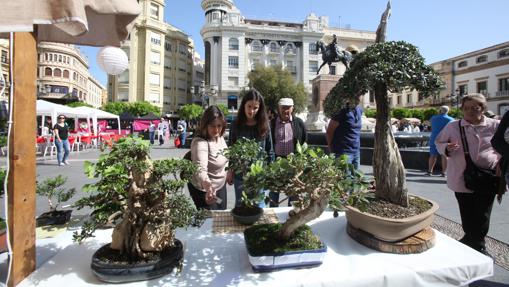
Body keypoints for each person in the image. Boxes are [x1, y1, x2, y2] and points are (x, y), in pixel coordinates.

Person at [435, 94, 501, 256]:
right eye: (466, 108)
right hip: (461, 177)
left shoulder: (495, 125)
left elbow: (504, 146)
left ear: (483, 109)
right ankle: (470, 238)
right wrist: (447, 148)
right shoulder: (453, 127)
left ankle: (478, 244)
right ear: (462, 110)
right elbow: (438, 143)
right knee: (467, 211)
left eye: (475, 108)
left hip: (488, 177)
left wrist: (502, 163)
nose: (470, 111)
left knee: (483, 213)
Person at [227, 88, 274, 207]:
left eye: (255, 108)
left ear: (260, 108)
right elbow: (231, 150)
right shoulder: (235, 125)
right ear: (243, 105)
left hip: (259, 175)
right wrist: (230, 171)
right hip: (240, 176)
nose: (251, 111)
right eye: (249, 106)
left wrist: (270, 173)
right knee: (241, 206)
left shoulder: (265, 126)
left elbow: (270, 151)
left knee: (259, 206)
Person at [268, 97, 307, 207]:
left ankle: (291, 214)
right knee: (274, 192)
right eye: (283, 108)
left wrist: (301, 161)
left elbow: (305, 141)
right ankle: (273, 213)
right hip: (276, 163)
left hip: (293, 164)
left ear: (292, 108)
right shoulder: (272, 124)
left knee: (294, 192)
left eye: (288, 108)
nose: (286, 110)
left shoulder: (299, 123)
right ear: (279, 108)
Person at [188, 106, 228, 210]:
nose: (216, 129)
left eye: (219, 125)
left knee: (222, 212)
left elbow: (225, 156)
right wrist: (208, 186)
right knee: (210, 220)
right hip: (205, 189)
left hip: (220, 186)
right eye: (212, 126)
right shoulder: (200, 143)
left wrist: (229, 171)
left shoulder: (220, 137)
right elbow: (200, 168)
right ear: (205, 125)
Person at [326, 103, 362, 170]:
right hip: (343, 153)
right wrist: (331, 149)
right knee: (345, 179)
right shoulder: (341, 111)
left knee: (356, 179)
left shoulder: (359, 109)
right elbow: (329, 132)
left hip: (356, 152)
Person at [426, 106, 454, 176]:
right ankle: (444, 172)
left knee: (432, 155)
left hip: (434, 138)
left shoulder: (433, 118)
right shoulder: (451, 119)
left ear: (440, 110)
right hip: (445, 139)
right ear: (448, 111)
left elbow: (430, 126)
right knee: (444, 155)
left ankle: (430, 171)